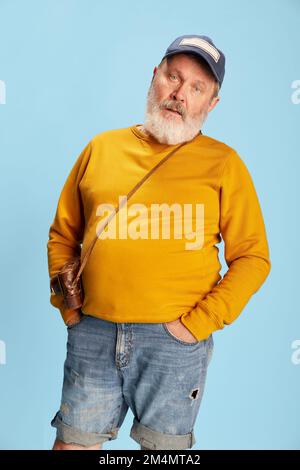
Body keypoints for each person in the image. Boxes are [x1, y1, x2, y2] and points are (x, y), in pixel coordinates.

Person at [47, 34, 271, 450]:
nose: (180, 94)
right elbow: (63, 234)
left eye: (197, 88)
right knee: (72, 445)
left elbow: (253, 257)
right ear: (155, 76)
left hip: (173, 344)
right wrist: (70, 308)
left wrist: (195, 326)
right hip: (93, 330)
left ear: (211, 104)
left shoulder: (223, 164)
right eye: (173, 77)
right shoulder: (101, 148)